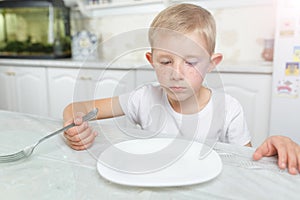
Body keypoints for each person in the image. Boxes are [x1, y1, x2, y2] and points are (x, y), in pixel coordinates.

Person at [63, 3, 300, 175]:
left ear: (211, 64)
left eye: (191, 62)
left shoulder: (228, 109)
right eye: (166, 62)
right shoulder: (143, 98)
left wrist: (274, 148)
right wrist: (73, 126)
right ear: (151, 60)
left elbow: (248, 165)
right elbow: (77, 107)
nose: (176, 73)